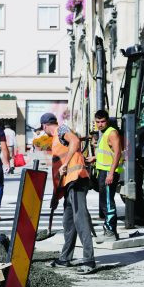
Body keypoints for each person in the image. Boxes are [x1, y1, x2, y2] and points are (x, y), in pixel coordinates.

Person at [39, 113, 95, 274]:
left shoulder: (61, 130)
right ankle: (65, 258)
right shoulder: (58, 139)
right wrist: (56, 196)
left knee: (80, 219)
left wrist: (67, 162)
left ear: (44, 126)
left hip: (77, 180)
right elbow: (60, 170)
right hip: (69, 183)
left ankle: (89, 261)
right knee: (68, 221)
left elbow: (76, 142)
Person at [86, 110, 124, 243]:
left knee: (108, 203)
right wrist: (95, 158)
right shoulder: (104, 133)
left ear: (107, 120)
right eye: (98, 122)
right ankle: (109, 230)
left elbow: (118, 153)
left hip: (108, 172)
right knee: (104, 203)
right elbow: (108, 152)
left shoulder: (112, 132)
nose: (100, 124)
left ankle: (110, 233)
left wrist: (111, 173)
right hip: (103, 171)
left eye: (102, 121)